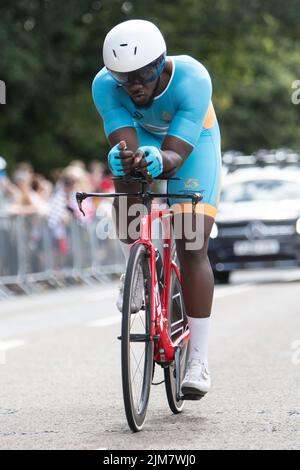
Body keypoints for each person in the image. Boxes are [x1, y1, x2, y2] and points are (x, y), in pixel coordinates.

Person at [92, 20, 222, 398]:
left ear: (162, 63)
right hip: (144, 138)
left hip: (191, 143)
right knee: (125, 165)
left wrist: (162, 157)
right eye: (123, 78)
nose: (134, 86)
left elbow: (177, 156)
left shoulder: (192, 78)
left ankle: (198, 360)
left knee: (191, 242)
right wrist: (125, 160)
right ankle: (134, 267)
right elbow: (126, 147)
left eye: (144, 75)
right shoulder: (104, 86)